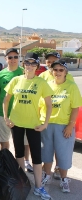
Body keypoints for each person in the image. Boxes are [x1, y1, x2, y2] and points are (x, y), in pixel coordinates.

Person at [3, 52, 53, 200]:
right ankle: (23, 183)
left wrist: (45, 123)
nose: (30, 66)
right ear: (23, 64)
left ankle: (38, 187)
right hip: (17, 123)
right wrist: (6, 118)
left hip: (34, 125)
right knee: (19, 154)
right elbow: (6, 100)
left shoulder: (41, 83)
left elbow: (49, 105)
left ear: (37, 66)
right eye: (27, 63)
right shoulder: (16, 80)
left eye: (33, 64)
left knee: (36, 157)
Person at [40, 60, 82, 193]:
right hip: (47, 124)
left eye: (61, 70)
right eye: (55, 70)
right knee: (46, 153)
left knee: (63, 154)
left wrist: (71, 125)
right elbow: (40, 105)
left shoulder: (71, 86)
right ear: (52, 72)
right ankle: (47, 176)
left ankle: (64, 179)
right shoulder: (46, 86)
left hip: (63, 126)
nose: (58, 72)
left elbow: (75, 107)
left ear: (66, 72)